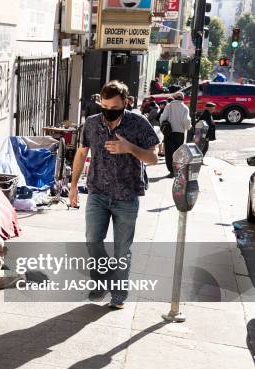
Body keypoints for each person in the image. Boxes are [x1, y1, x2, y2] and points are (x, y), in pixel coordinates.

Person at [69, 80, 159, 309]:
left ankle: (118, 295)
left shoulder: (138, 123)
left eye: (114, 108)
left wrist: (130, 148)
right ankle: (101, 283)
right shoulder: (91, 124)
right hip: (98, 193)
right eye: (105, 107)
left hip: (126, 196)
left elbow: (154, 157)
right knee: (92, 242)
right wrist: (72, 187)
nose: (109, 112)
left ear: (126, 103)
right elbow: (81, 154)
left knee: (122, 249)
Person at [159, 92, 191, 178]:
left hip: (169, 133)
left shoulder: (168, 106)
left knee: (169, 153)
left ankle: (171, 171)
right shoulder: (185, 108)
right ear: (182, 98)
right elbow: (186, 121)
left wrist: (163, 125)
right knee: (178, 153)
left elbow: (162, 118)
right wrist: (188, 127)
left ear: (174, 98)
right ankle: (177, 170)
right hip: (180, 133)